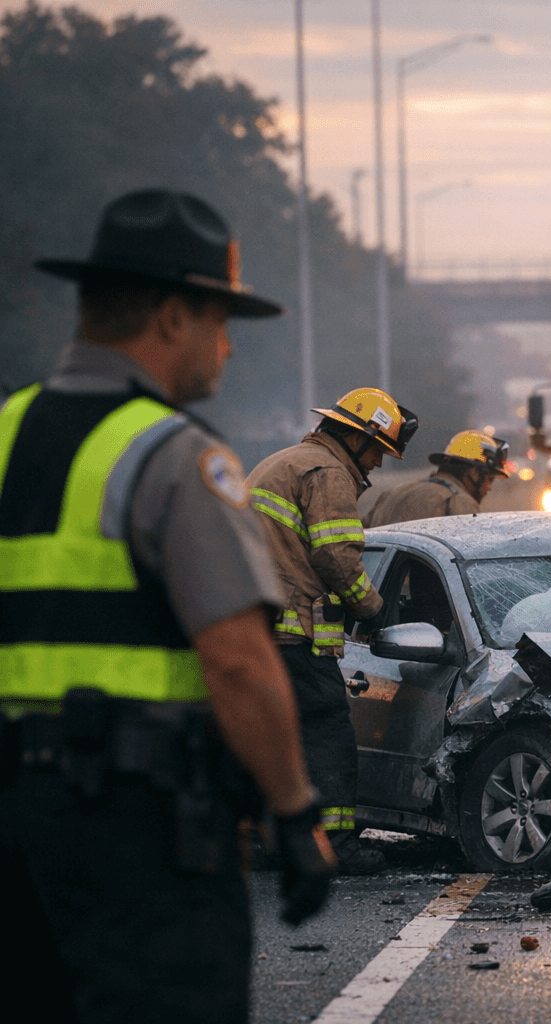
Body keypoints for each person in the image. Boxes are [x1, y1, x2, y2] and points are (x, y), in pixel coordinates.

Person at [0, 189, 335, 1022]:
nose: (225, 346)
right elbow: (236, 657)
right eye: (221, 319)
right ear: (172, 314)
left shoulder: (5, 434)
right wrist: (295, 812)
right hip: (139, 839)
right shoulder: (173, 457)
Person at [246, 386, 418, 874]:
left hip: (260, 629)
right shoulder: (329, 473)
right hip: (292, 634)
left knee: (277, 739)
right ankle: (336, 845)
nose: (379, 465)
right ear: (358, 438)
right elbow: (336, 556)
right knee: (327, 735)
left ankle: (267, 842)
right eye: (379, 452)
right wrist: (373, 607)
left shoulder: (286, 462)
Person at [364, 428, 510, 527]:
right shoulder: (459, 502)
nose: (489, 488)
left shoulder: (391, 494)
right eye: (489, 479)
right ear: (472, 472)